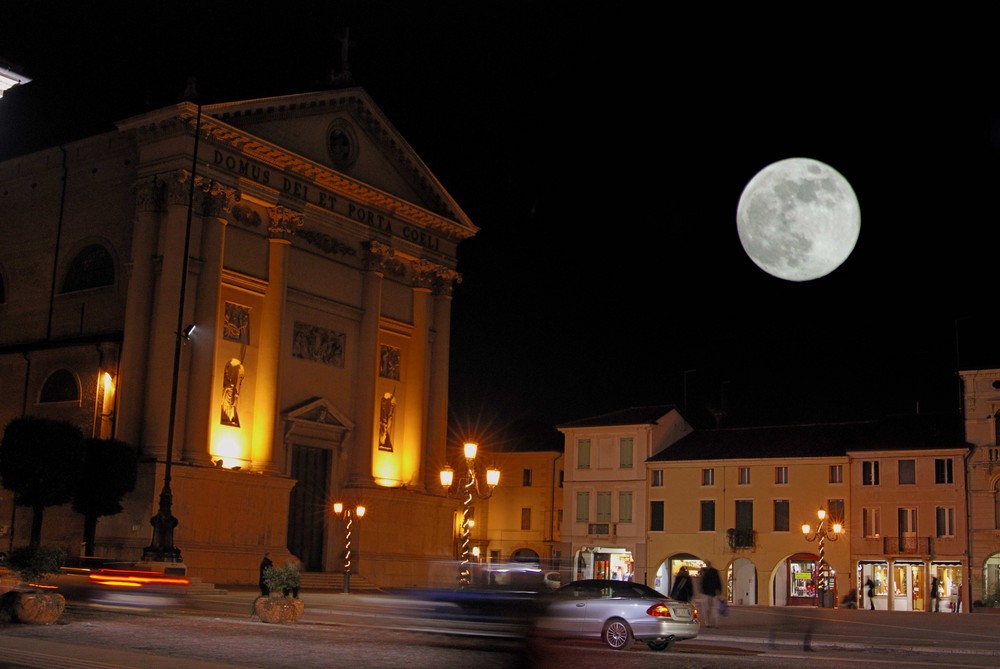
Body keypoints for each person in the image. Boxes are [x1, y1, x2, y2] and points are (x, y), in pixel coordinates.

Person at [700, 561, 723, 627]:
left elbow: (702, 583)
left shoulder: (704, 572)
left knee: (707, 609)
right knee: (714, 608)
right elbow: (718, 582)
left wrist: (701, 591)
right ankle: (715, 623)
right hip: (714, 593)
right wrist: (719, 592)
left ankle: (708, 622)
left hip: (706, 593)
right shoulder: (715, 571)